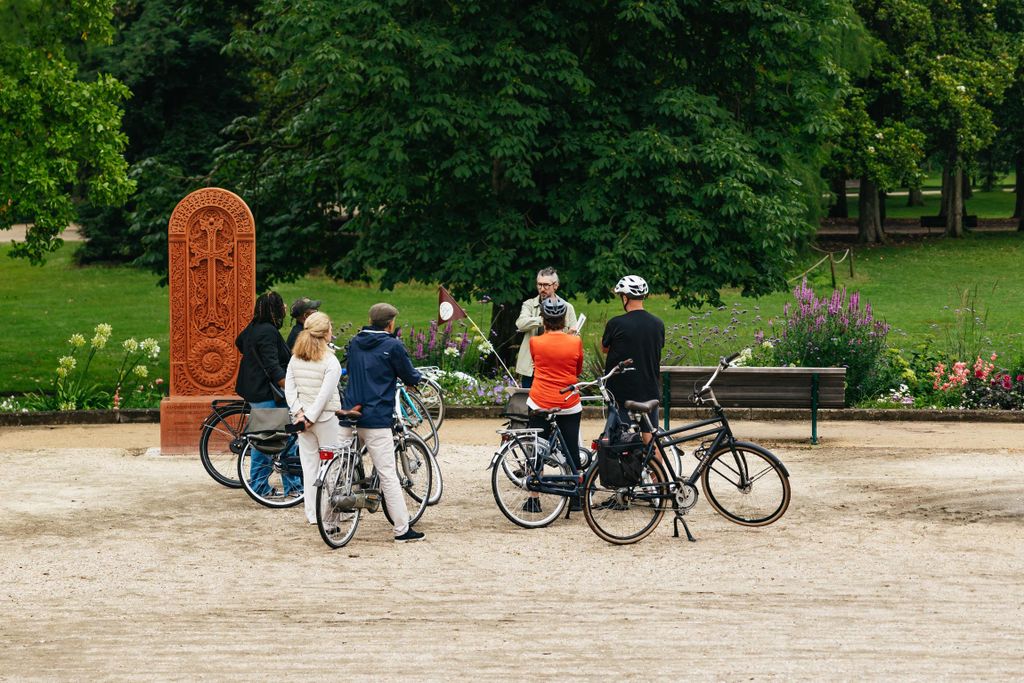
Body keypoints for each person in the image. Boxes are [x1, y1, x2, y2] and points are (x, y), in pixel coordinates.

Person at [341, 303, 426, 543]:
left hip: (349, 412)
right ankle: (401, 528)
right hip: (376, 415)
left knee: (339, 468)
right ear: (391, 323)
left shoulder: (356, 342)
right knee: (387, 473)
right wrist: (415, 380)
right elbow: (408, 374)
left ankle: (328, 521)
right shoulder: (393, 345)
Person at [235, 291, 301, 497]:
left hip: (255, 390)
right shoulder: (267, 332)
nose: (284, 308)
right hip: (268, 393)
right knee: (271, 442)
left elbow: (239, 342)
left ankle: (269, 485)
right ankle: (271, 487)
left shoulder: (254, 327)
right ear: (274, 310)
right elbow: (273, 366)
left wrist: (253, 361)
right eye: (281, 305)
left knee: (267, 441)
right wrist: (290, 390)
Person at [525, 296, 585, 513]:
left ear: (543, 319)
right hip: (568, 401)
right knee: (572, 449)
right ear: (563, 319)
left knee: (538, 446)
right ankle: (576, 497)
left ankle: (534, 498)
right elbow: (577, 370)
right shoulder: (575, 341)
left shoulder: (535, 342)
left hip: (540, 400)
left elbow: (536, 364)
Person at [285, 311, 342, 525]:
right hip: (326, 418)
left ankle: (312, 513)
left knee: (309, 467)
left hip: (302, 420)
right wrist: (311, 416)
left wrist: (299, 412)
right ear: (325, 333)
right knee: (331, 466)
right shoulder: (331, 361)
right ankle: (328, 512)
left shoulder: (295, 358)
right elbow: (325, 395)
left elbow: (290, 389)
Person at [602, 275, 665, 443]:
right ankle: (655, 470)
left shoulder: (616, 324)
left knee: (619, 439)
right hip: (649, 389)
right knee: (651, 438)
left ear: (624, 297)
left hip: (622, 392)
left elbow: (604, 348)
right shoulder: (658, 324)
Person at [515, 267, 577, 388]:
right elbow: (520, 324)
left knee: (552, 402)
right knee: (530, 402)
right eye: (539, 285)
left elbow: (576, 336)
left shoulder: (567, 307)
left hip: (556, 366)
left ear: (556, 285)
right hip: (531, 366)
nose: (542, 289)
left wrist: (569, 335)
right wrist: (546, 319)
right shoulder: (529, 304)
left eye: (546, 285)